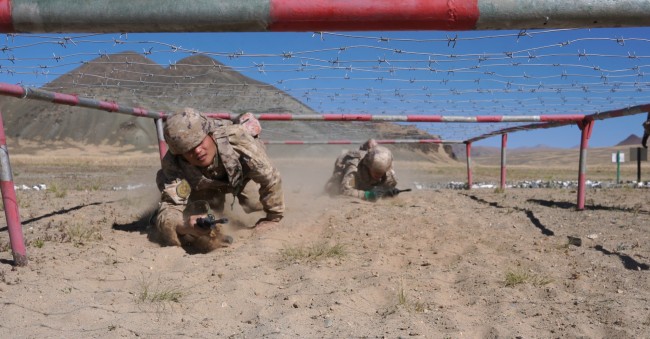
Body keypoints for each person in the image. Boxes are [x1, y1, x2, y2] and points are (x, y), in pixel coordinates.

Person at [153, 108, 284, 249]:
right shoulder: (173, 164)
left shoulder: (237, 138)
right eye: (188, 150)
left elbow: (270, 177)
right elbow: (171, 206)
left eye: (200, 142)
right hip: (204, 187)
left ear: (211, 135)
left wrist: (273, 217)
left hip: (240, 177)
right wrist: (185, 225)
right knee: (205, 216)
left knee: (254, 204)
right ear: (180, 154)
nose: (197, 151)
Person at [324, 139, 400, 201]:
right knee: (333, 189)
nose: (378, 175)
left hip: (364, 180)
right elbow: (345, 190)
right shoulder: (354, 169)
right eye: (375, 172)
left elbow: (388, 187)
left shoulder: (389, 172)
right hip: (343, 168)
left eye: (381, 172)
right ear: (368, 166)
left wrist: (389, 192)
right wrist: (366, 195)